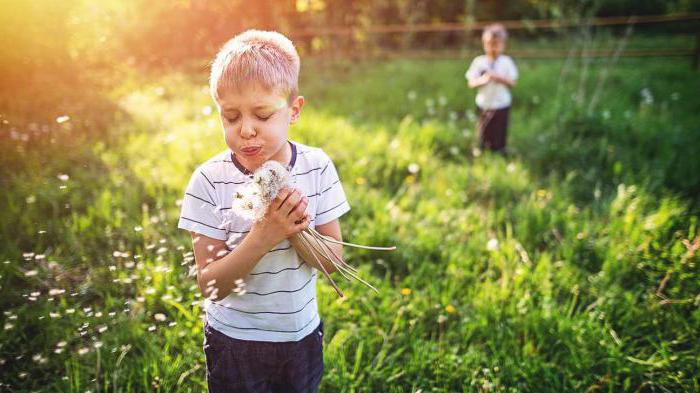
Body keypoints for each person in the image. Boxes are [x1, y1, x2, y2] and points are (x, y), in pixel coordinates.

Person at [177, 29, 350, 393]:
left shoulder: (317, 167)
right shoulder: (210, 180)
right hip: (235, 343)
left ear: (294, 110)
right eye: (231, 116)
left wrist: (297, 230)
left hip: (301, 335)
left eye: (262, 114)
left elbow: (334, 261)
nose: (246, 130)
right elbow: (210, 285)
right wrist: (264, 235)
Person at [466, 23, 518, 153]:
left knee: (500, 130)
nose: (492, 47)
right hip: (484, 104)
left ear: (503, 45)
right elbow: (471, 83)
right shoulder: (479, 62)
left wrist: (499, 78)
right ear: (484, 44)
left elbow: (513, 83)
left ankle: (500, 151)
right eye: (489, 44)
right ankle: (483, 150)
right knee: (483, 130)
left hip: (502, 104)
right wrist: (483, 80)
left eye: (496, 44)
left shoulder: (507, 62)